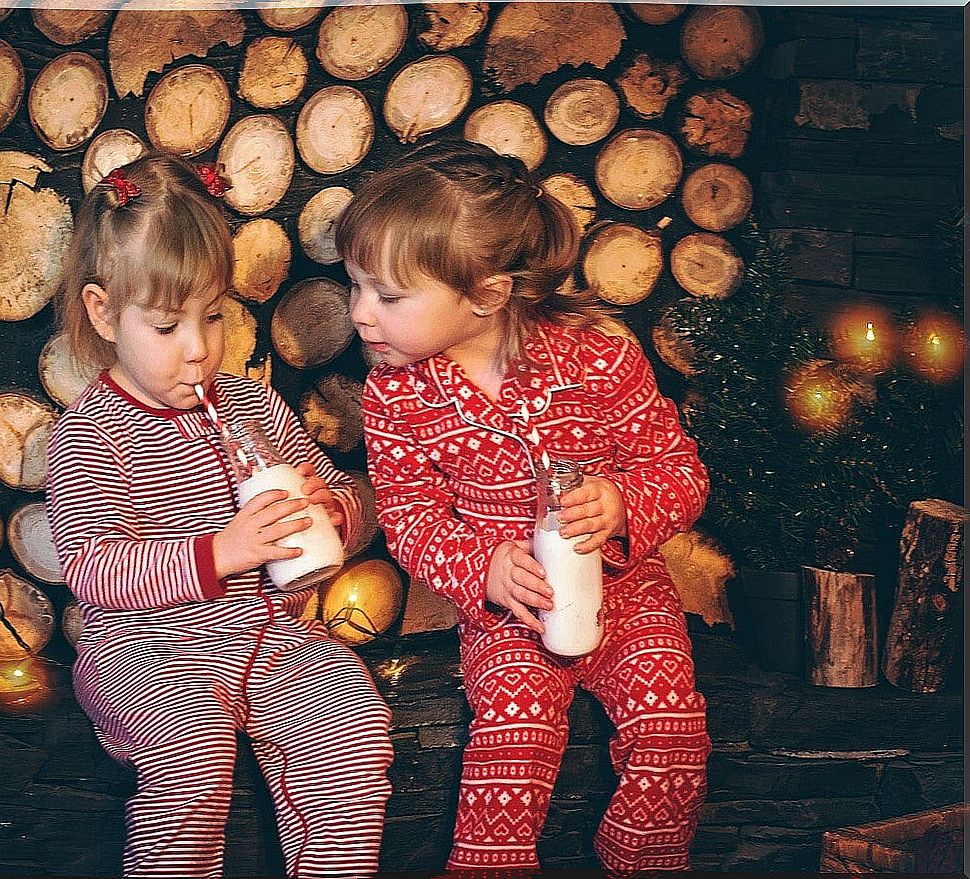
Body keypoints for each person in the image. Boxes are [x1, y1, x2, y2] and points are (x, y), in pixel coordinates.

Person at [337, 139, 711, 874]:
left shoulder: (599, 357)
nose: (359, 314)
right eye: (354, 288)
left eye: (386, 295)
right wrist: (484, 569)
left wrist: (625, 502)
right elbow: (411, 515)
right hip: (512, 613)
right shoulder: (398, 394)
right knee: (512, 736)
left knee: (671, 727)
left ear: (487, 292)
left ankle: (644, 860)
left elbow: (679, 469)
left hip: (629, 600)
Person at [45, 155, 393, 879]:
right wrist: (221, 552)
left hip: (272, 639)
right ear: (104, 312)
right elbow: (91, 565)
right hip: (147, 650)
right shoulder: (92, 431)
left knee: (354, 720)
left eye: (213, 316)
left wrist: (331, 508)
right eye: (168, 326)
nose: (200, 350)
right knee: (191, 745)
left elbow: (348, 493)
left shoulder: (253, 404)